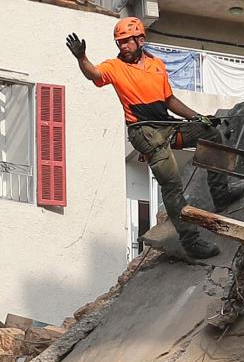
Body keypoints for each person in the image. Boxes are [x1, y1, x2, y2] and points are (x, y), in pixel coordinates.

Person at [66, 17, 223, 259]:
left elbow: (169, 100)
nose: (122, 47)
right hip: (144, 132)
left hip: (166, 125)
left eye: (126, 42)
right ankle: (190, 241)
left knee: (211, 134)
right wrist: (81, 58)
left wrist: (199, 117)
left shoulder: (157, 65)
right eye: (119, 43)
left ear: (140, 40)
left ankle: (221, 193)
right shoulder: (114, 67)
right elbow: (94, 73)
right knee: (171, 184)